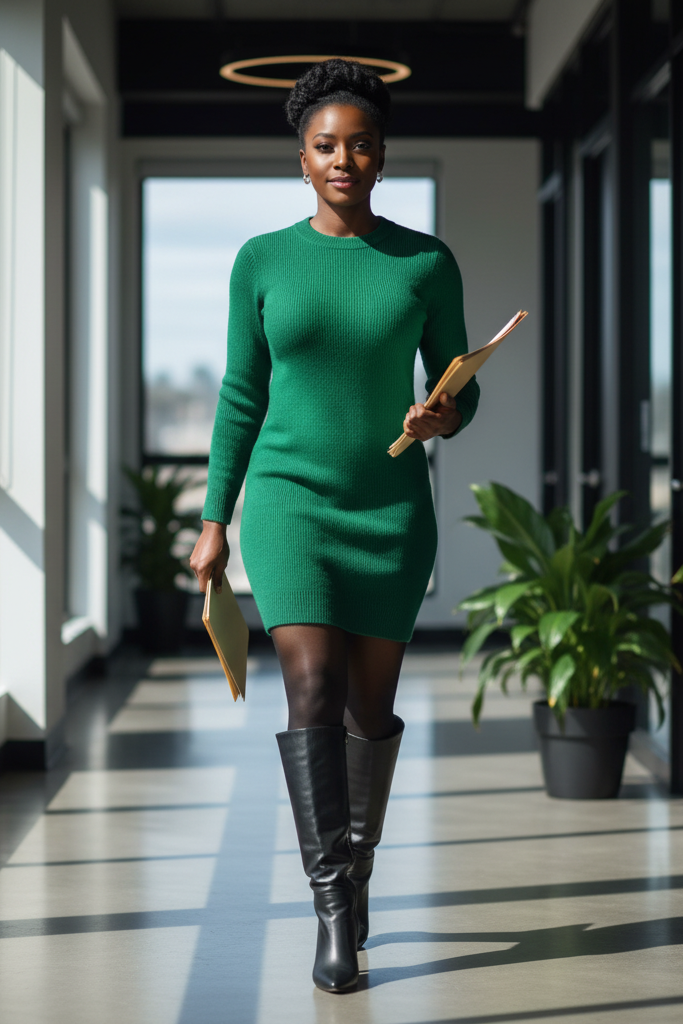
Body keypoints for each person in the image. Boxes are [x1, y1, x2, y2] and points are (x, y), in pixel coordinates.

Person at [189, 58, 480, 993]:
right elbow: (241, 394)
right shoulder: (261, 261)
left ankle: (355, 878)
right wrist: (212, 518)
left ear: (382, 154)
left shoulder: (426, 262)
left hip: (389, 507)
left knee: (368, 714)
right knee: (308, 691)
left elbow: (455, 388)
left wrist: (442, 415)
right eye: (325, 146)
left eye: (359, 144)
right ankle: (330, 913)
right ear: (301, 159)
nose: (343, 158)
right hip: (288, 506)